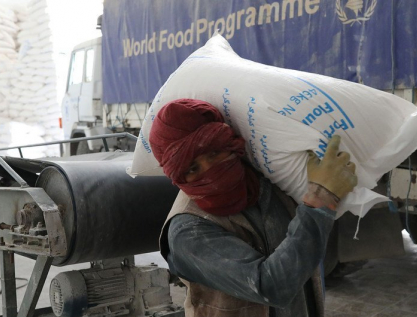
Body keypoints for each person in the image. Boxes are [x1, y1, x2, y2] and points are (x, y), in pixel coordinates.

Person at [150, 98, 357, 317]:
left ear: (228, 144)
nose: (211, 171)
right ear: (180, 176)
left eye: (213, 153)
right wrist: (321, 199)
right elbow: (269, 286)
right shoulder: (188, 230)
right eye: (193, 168)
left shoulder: (264, 182)